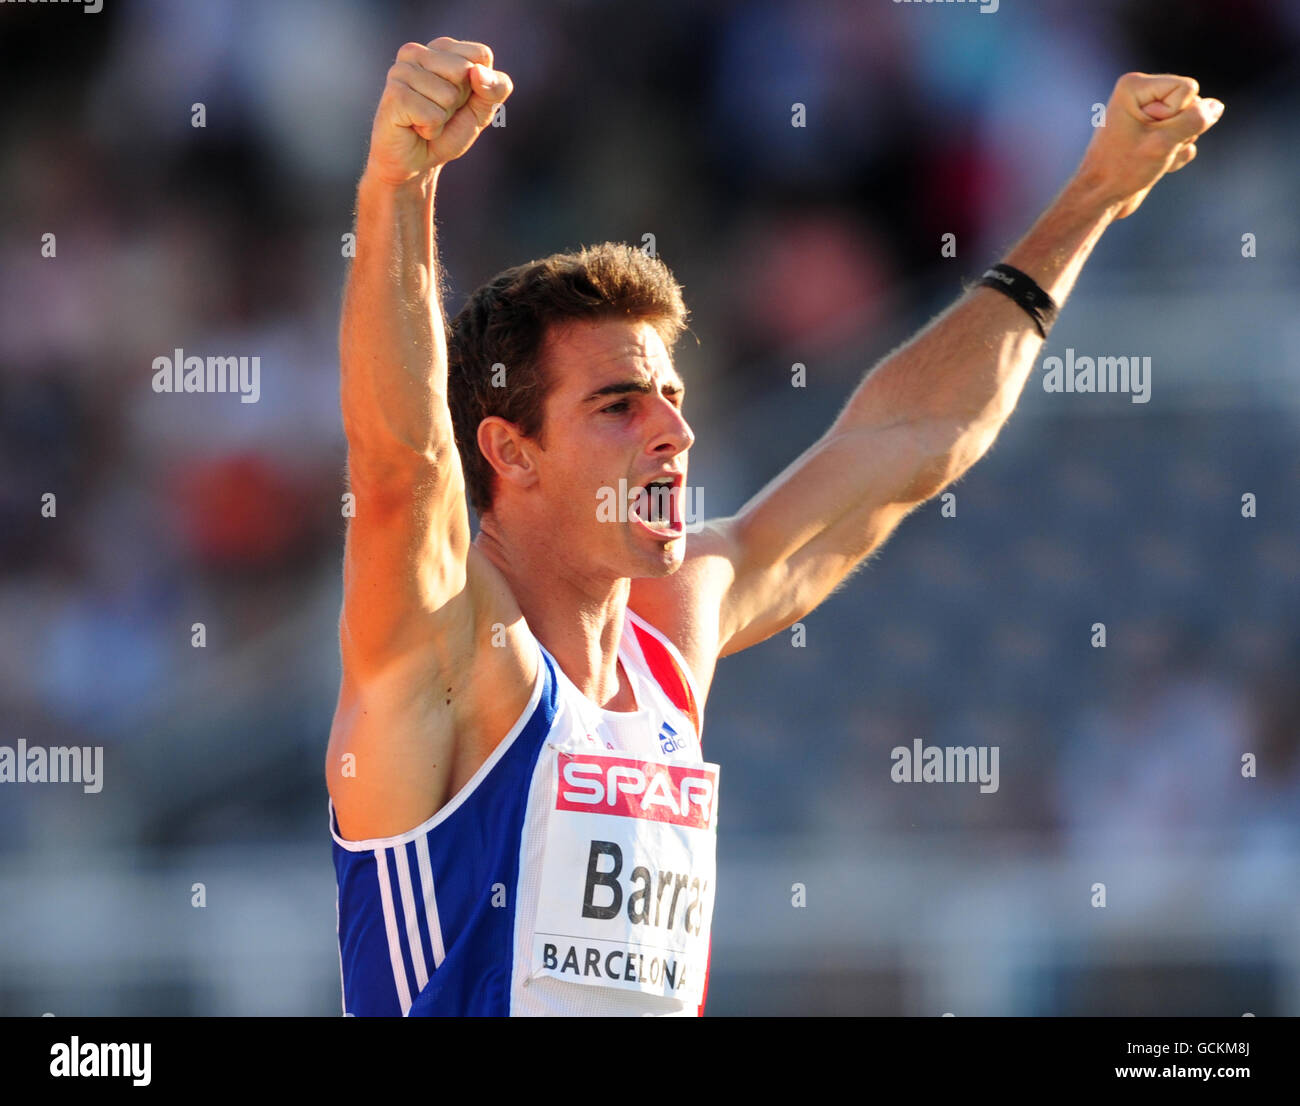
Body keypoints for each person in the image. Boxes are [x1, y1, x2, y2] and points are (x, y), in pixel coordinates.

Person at [327, 35, 1222, 1016]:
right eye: (619, 405)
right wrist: (398, 186)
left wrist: (1090, 196)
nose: (675, 430)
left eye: (671, 395)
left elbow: (909, 438)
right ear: (508, 451)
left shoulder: (670, 631)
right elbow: (399, 472)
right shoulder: (454, 652)